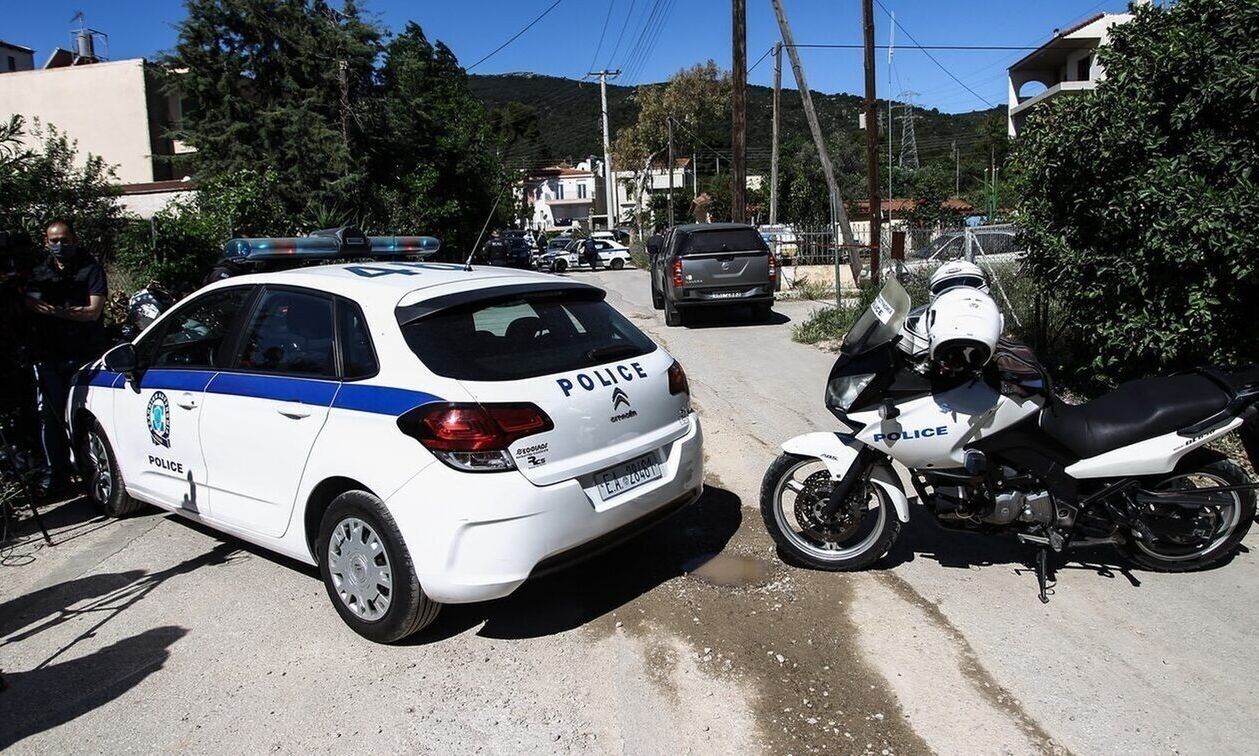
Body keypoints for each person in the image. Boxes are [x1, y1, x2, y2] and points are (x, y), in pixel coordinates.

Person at [24, 220, 107, 497]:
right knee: (52, 418)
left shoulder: (91, 270)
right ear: (46, 241)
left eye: (64, 240)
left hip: (84, 355)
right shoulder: (41, 272)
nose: (59, 246)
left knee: (87, 415)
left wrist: (55, 311)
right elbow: (31, 302)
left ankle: (91, 471)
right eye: (54, 241)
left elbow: (93, 311)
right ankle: (58, 475)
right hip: (50, 355)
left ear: (75, 240)